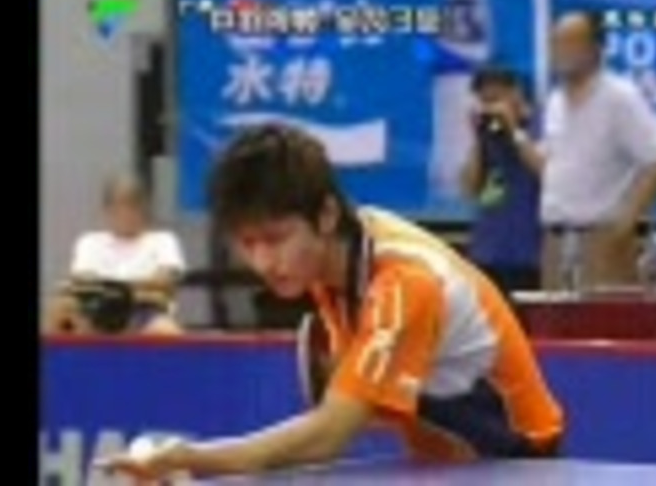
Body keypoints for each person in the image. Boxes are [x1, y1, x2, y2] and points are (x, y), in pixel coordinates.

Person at [97, 125, 564, 481]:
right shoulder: (336, 264)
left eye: (275, 239)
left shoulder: (403, 283)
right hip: (449, 465)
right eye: (248, 242)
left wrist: (190, 457)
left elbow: (329, 435)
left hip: (518, 467)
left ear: (325, 214)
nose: (263, 262)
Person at [512, 11, 656, 290]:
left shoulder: (619, 97)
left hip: (601, 239)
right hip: (555, 240)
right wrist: (516, 137)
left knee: (603, 316)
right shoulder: (555, 100)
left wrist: (625, 223)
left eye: (571, 43)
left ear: (596, 48)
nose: (561, 52)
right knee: (551, 317)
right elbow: (551, 169)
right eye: (556, 43)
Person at [43, 174, 186, 336]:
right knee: (60, 310)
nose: (126, 214)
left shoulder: (164, 241)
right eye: (118, 207)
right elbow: (82, 282)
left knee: (165, 330)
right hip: (96, 312)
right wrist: (133, 289)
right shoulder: (89, 242)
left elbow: (165, 281)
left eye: (133, 206)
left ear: (145, 208)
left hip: (144, 312)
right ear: (107, 210)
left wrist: (115, 291)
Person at [460, 66, 542, 295]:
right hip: (487, 251)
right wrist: (478, 140)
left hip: (530, 252)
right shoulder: (489, 133)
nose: (491, 107)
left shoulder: (541, 125)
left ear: (516, 93)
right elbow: (470, 188)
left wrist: (513, 129)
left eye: (496, 99)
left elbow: (544, 171)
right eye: (484, 101)